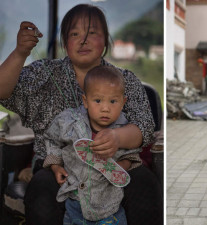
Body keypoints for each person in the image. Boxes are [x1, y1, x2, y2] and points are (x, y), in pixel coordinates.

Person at [0, 4, 162, 225]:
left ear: (105, 39)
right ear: (65, 43)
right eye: (74, 34)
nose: (83, 40)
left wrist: (117, 138)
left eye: (92, 33)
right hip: (56, 168)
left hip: (115, 166)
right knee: (41, 194)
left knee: (146, 186)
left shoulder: (126, 79)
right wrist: (20, 52)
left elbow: (144, 127)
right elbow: (2, 91)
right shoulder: (44, 73)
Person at [43, 65, 142, 225]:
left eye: (113, 101)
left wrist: (119, 166)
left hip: (109, 206)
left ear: (123, 102)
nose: (105, 108)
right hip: (75, 201)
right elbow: (52, 140)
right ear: (85, 101)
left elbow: (132, 152)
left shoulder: (124, 128)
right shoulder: (68, 122)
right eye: (97, 100)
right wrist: (55, 165)